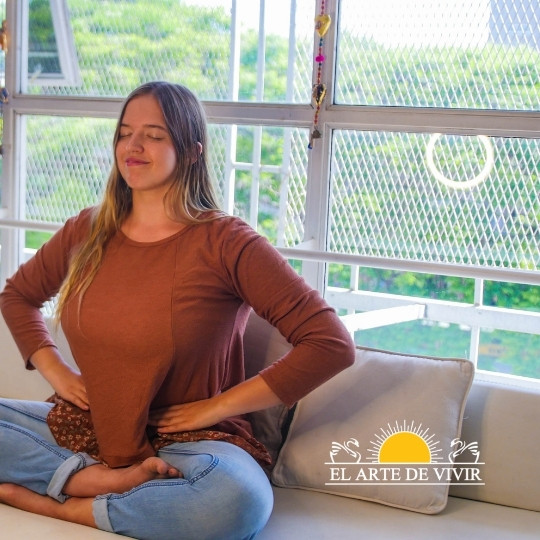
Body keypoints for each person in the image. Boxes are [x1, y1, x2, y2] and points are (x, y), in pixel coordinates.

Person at [0, 81, 355, 539]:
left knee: (234, 502)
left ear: (190, 152)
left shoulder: (228, 242)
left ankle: (68, 505)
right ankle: (85, 481)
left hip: (192, 444)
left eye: (154, 135)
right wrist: (57, 372)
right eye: (124, 133)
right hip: (86, 428)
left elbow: (330, 343)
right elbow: (17, 296)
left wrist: (214, 407)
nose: (133, 146)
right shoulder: (86, 230)